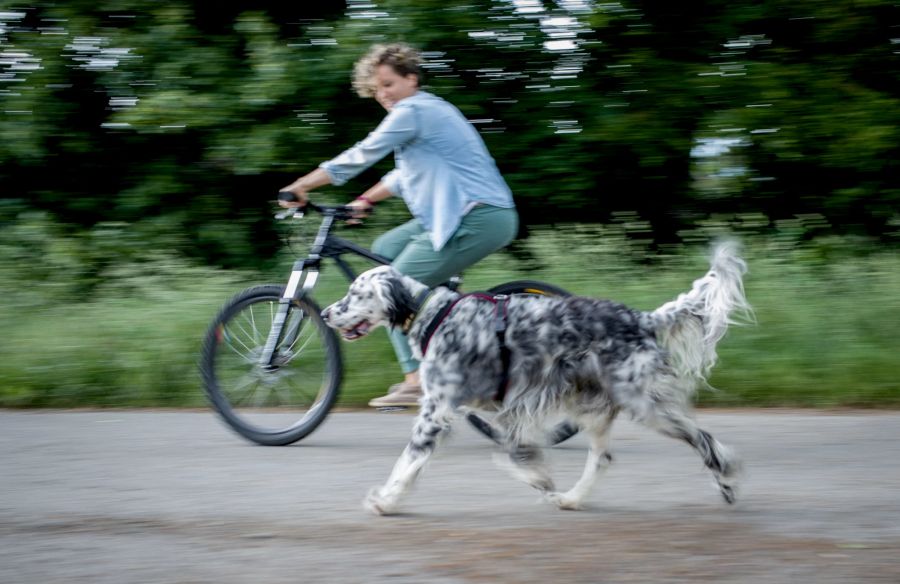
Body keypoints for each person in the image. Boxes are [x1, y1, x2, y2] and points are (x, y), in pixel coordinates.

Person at [279, 42, 518, 408]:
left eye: (388, 84)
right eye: (375, 90)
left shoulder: (414, 111)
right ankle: (451, 341)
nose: (383, 95)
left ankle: (417, 378)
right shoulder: (426, 113)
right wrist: (365, 200)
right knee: (386, 251)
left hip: (477, 217)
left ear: (411, 78)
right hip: (461, 217)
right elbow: (403, 175)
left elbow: (361, 154)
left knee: (391, 289)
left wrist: (302, 185)